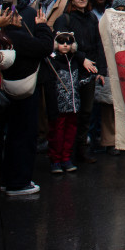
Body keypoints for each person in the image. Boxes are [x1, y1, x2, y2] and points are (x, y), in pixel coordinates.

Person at [0, 0, 55, 197]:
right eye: (15, 15)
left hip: (8, 88)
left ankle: (8, 178)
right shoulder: (15, 36)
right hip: (21, 90)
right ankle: (18, 182)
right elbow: (43, 47)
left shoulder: (2, 34)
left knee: (10, 135)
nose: (20, 17)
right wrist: (41, 27)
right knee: (22, 134)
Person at [55, 0, 105, 164]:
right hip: (70, 71)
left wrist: (100, 70)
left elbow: (99, 43)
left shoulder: (92, 18)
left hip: (90, 72)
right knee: (70, 114)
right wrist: (81, 57)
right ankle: (66, 154)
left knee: (86, 112)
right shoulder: (65, 19)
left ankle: (81, 149)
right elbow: (61, 45)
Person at [43, 31, 93, 174]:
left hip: (73, 104)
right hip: (58, 105)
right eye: (61, 42)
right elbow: (49, 84)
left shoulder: (75, 60)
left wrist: (88, 79)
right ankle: (55, 160)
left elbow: (80, 79)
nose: (65, 45)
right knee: (56, 133)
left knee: (70, 132)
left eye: (68, 42)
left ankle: (66, 158)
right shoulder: (52, 60)